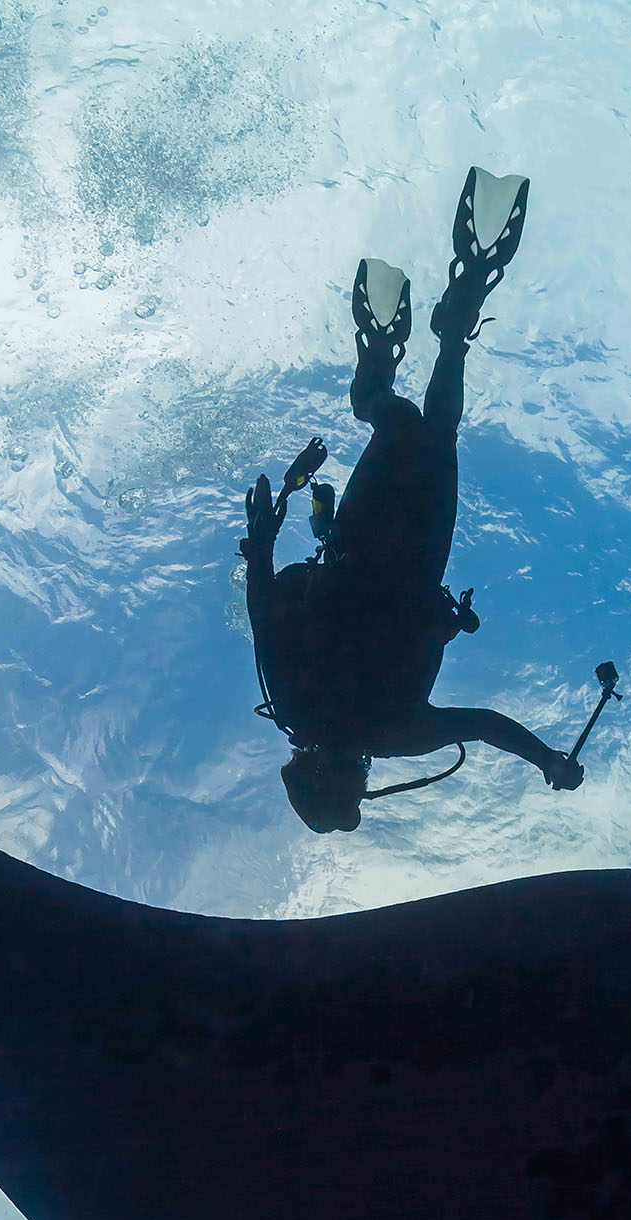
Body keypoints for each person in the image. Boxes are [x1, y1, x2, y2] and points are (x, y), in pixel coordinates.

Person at [241, 168, 609, 834]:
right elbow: (264, 608)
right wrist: (543, 757)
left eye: (349, 795)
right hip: (404, 556)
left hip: (380, 548)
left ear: (324, 779)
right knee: (429, 434)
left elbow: (266, 612)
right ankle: (441, 339)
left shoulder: (325, 711)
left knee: (415, 427)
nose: (361, 786)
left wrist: (545, 759)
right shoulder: (368, 725)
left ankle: (407, 365)